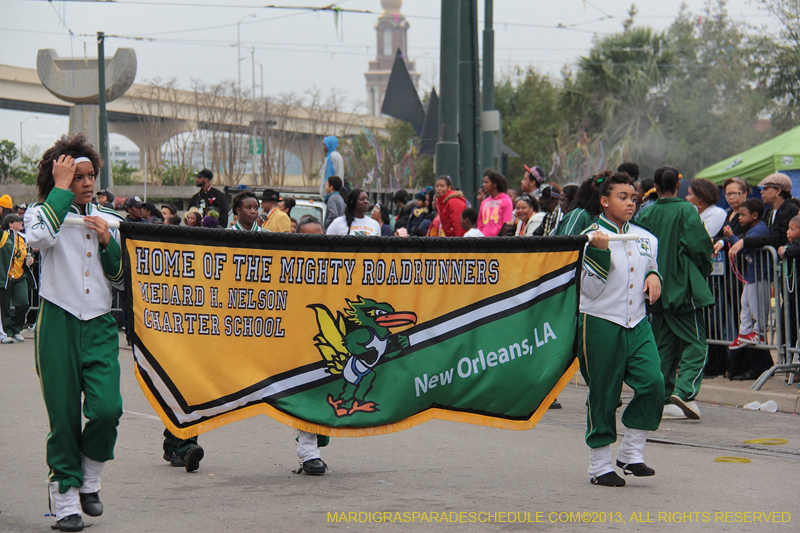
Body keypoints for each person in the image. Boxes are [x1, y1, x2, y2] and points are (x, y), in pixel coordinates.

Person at [24, 134, 125, 532]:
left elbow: (119, 278)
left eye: (90, 176)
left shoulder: (111, 220)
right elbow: (38, 239)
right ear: (59, 178)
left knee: (107, 409)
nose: (85, 183)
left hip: (99, 323)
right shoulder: (41, 213)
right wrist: (59, 190)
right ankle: (65, 499)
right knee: (63, 416)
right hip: (58, 323)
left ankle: (89, 478)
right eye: (76, 176)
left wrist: (105, 241)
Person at [578, 171, 664, 487]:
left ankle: (631, 452)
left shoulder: (646, 237)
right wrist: (599, 251)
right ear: (604, 201)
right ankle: (599, 465)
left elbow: (650, 264)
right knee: (603, 393)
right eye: (622, 197)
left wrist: (654, 275)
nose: (630, 203)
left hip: (637, 322)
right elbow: (589, 291)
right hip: (600, 321)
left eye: (633, 197)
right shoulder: (588, 237)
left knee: (654, 383)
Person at [637, 165, 714, 421]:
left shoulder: (645, 213)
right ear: (678, 184)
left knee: (664, 346)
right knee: (697, 343)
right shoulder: (686, 210)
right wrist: (702, 271)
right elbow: (701, 247)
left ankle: (659, 396)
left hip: (653, 290)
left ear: (655, 186)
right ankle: (685, 391)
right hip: (681, 287)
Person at [721, 200, 770, 354]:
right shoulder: (752, 229)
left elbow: (747, 249)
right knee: (746, 305)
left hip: (759, 275)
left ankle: (759, 333)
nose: (739, 218)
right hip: (751, 275)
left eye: (743, 215)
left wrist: (731, 237)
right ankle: (744, 333)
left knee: (757, 307)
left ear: (754, 215)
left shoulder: (759, 230)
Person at [0, 213, 35, 343]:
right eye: (18, 221)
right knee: (4, 307)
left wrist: (31, 259)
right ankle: (6, 333)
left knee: (24, 303)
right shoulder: (4, 235)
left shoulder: (23, 238)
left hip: (20, 275)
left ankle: (16, 329)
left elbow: (27, 254)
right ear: (10, 224)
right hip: (6, 276)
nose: (21, 223)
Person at [478, 169, 513, 237]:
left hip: (498, 241)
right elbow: (480, 223)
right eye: (483, 182)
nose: (483, 185)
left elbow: (507, 223)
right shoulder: (484, 202)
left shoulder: (506, 201)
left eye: (486, 182)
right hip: (484, 241)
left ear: (495, 184)